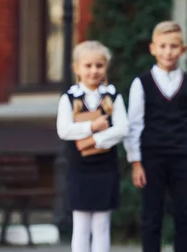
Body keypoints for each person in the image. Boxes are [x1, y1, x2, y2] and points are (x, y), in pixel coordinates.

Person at [124, 21, 187, 252]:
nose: (168, 51)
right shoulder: (142, 83)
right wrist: (136, 163)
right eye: (163, 46)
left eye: (174, 46)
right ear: (153, 48)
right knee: (151, 217)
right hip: (151, 157)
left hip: (182, 157)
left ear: (183, 50)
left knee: (184, 216)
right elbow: (134, 124)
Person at [56, 40, 128, 252]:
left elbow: (123, 129)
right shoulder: (68, 99)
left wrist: (96, 140)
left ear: (106, 67)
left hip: (105, 168)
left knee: (102, 224)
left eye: (99, 65)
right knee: (81, 224)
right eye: (88, 66)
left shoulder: (113, 97)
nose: (94, 71)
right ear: (76, 68)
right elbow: (64, 130)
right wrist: (92, 126)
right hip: (79, 168)